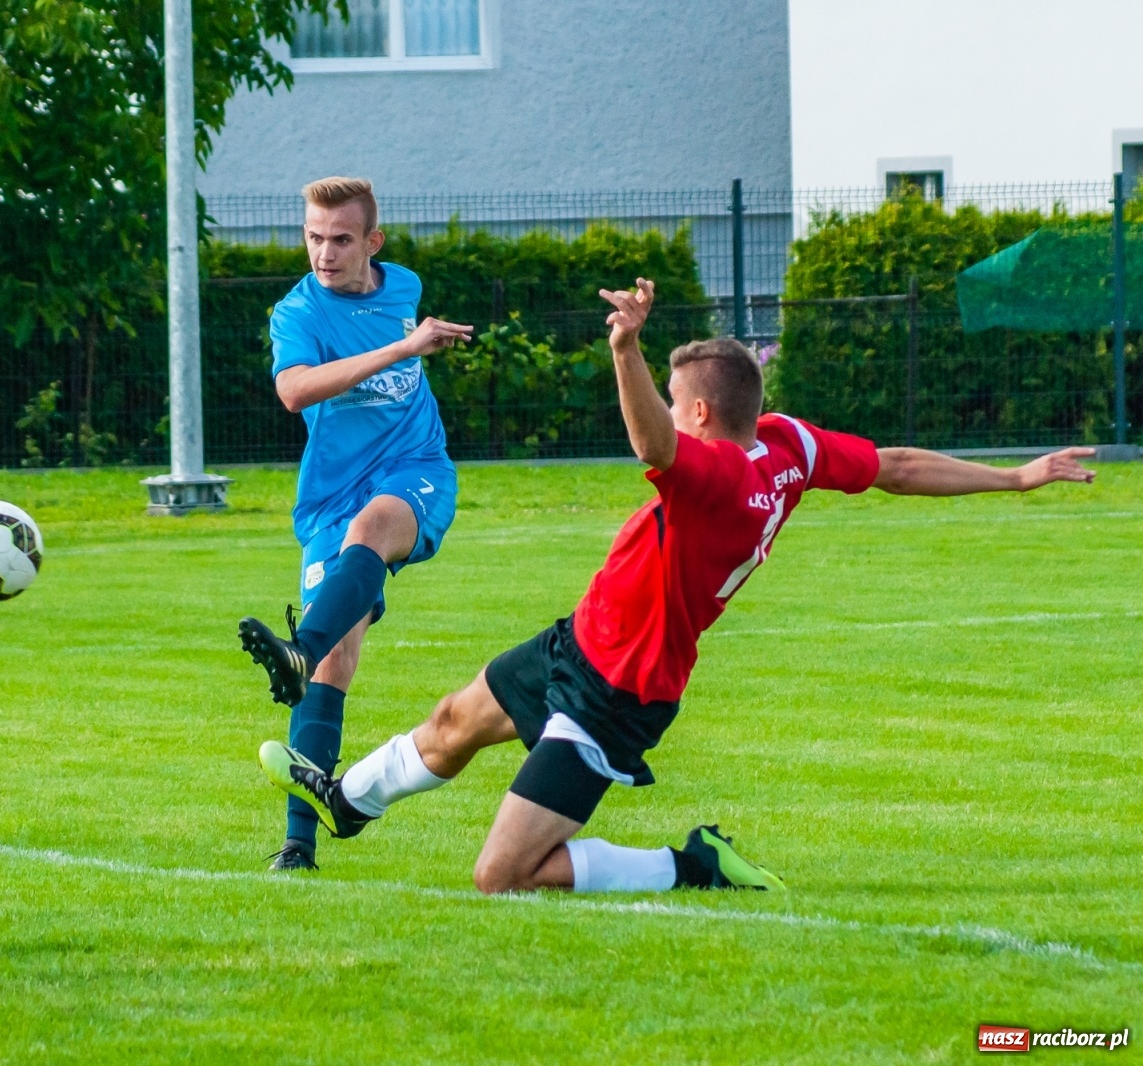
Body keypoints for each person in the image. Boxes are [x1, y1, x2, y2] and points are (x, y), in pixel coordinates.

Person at [259, 277, 1097, 895]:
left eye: (674, 393)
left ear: (698, 413)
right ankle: (346, 800)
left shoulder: (716, 479)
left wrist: (625, 349)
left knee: (502, 876)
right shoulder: (789, 446)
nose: (667, 399)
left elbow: (652, 446)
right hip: (582, 641)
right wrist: (1016, 479)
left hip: (618, 694)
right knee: (450, 723)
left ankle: (691, 864)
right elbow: (897, 465)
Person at [238, 176, 473, 871]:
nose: (324, 253)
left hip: (414, 472)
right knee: (335, 665)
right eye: (314, 237)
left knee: (374, 527)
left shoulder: (402, 285)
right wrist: (406, 350)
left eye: (341, 239)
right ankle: (298, 846)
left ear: (372, 243)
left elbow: (401, 329)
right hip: (328, 498)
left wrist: (413, 341)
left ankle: (297, 648)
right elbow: (293, 390)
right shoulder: (296, 313)